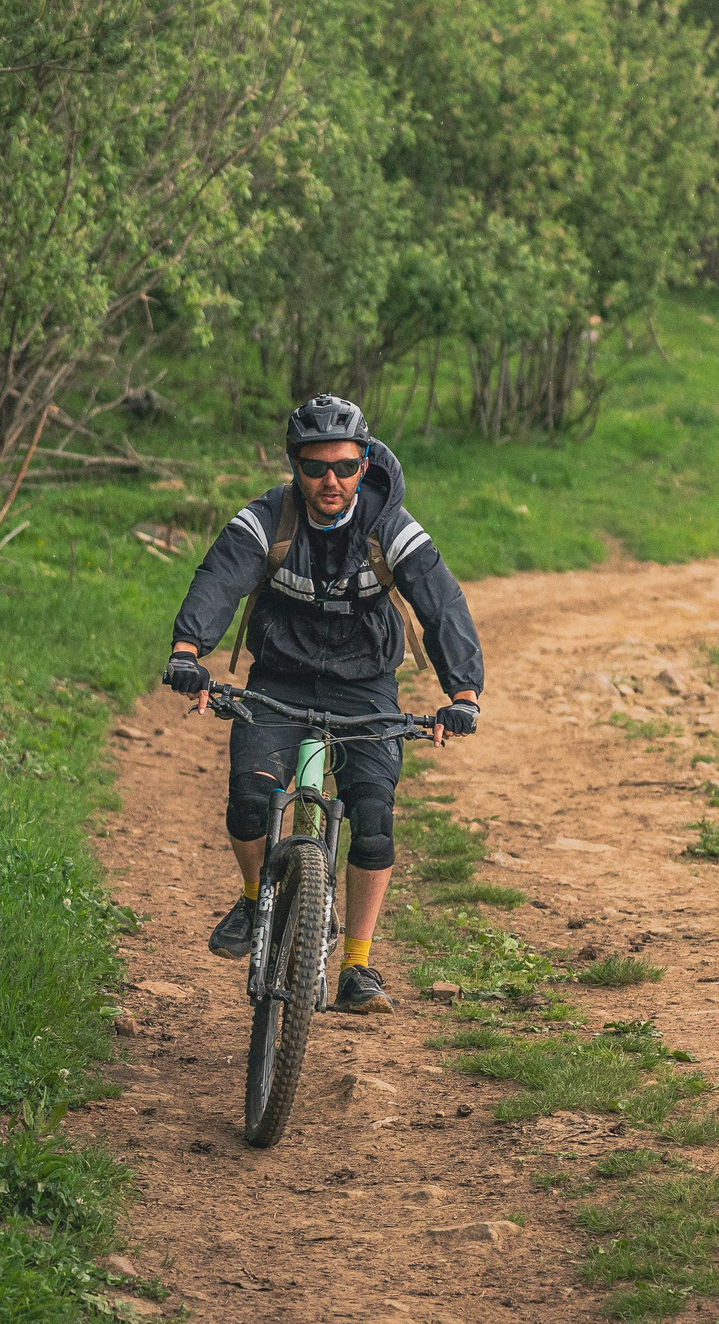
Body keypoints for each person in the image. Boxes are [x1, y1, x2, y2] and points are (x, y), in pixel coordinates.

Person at [163, 393, 483, 1014]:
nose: (329, 480)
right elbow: (220, 578)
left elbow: (440, 603)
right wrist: (186, 652)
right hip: (278, 679)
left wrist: (462, 693)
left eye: (343, 466)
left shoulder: (389, 525)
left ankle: (357, 967)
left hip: (365, 684)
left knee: (373, 819)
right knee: (250, 799)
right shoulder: (269, 519)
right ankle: (256, 897)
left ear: (364, 463)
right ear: (294, 467)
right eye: (314, 468)